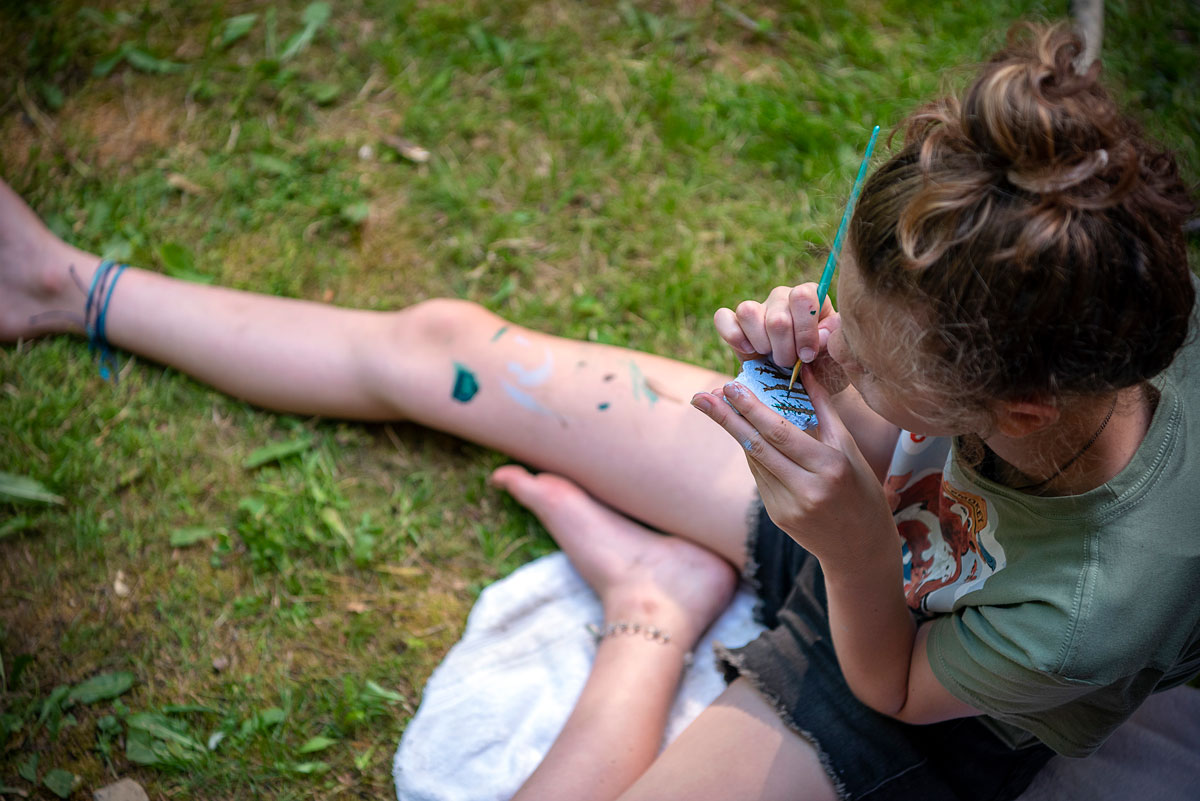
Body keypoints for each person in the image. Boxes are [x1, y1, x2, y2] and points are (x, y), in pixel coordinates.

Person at [3, 21, 1197, 801]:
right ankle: (62, 286)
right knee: (451, 349)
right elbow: (890, 416)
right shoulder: (1051, 295)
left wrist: (846, 537)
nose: (834, 347)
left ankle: (651, 613)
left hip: (923, 690)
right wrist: (839, 385)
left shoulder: (1093, 605)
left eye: (874, 356)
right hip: (862, 515)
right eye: (841, 306)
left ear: (1022, 406)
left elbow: (889, 682)